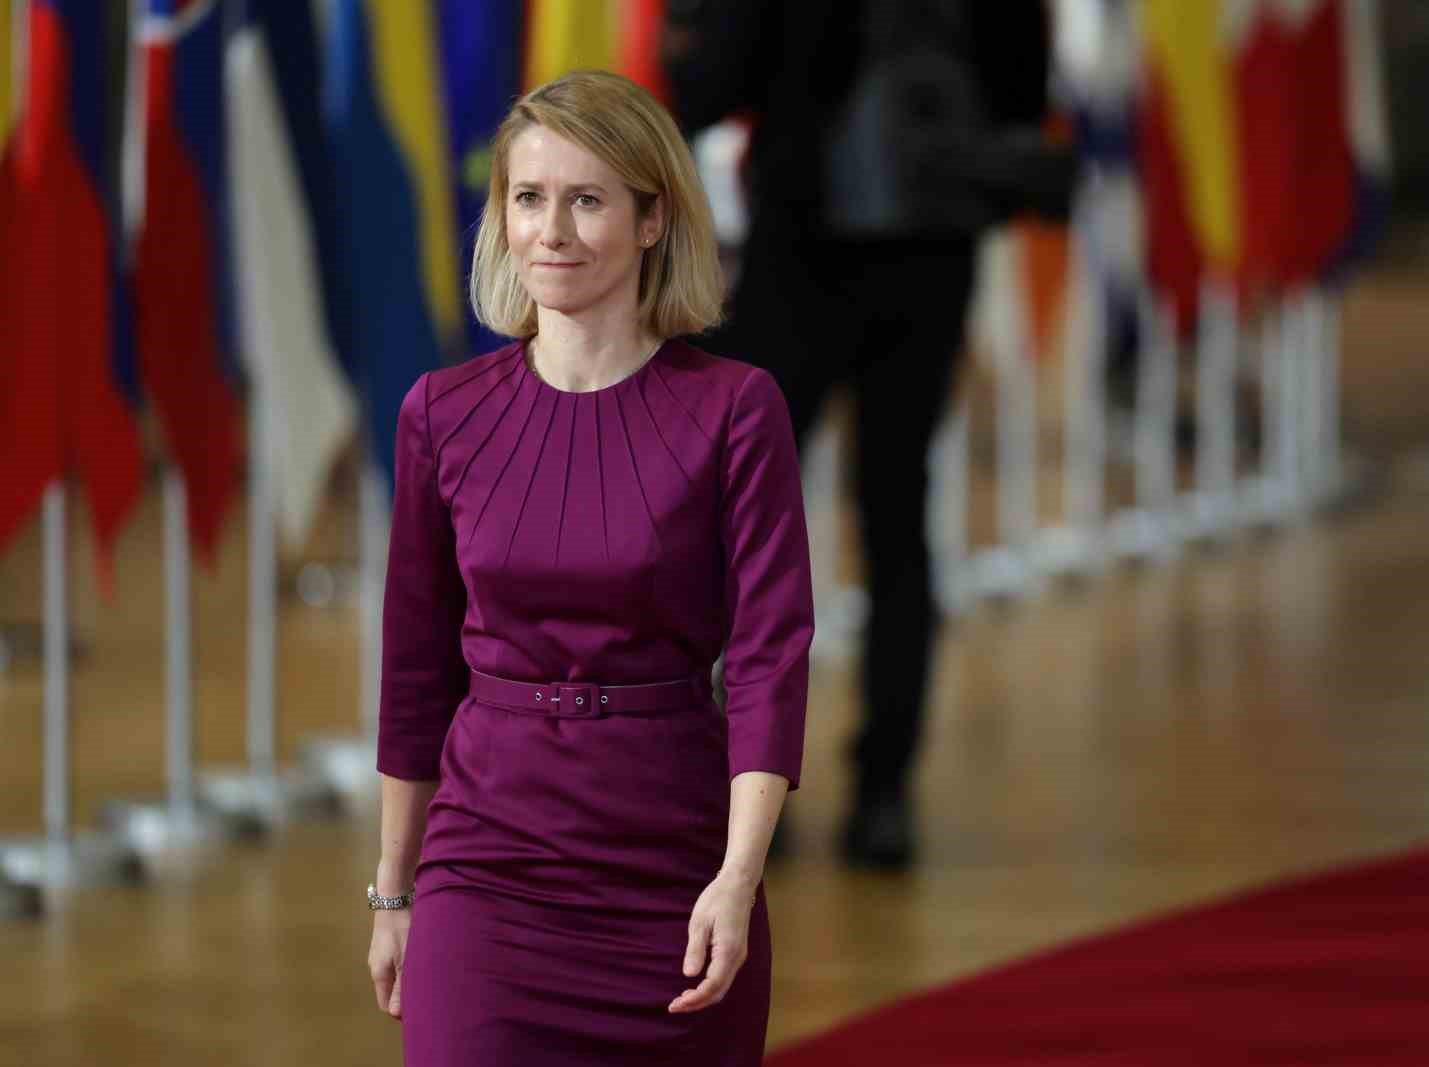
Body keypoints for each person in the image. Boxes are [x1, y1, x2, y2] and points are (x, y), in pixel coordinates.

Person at [365, 70, 814, 1066]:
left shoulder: (736, 410)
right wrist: (394, 890)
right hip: (484, 868)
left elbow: (769, 660)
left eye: (587, 200)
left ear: (653, 220)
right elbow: (414, 672)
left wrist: (739, 876)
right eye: (528, 198)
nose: (552, 231)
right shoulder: (441, 413)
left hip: (673, 869)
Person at [664, 0, 1065, 868]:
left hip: (802, 252)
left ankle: (747, 783)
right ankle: (883, 795)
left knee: (745, 526)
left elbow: (708, 85)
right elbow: (1024, 96)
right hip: (931, 254)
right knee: (897, 520)